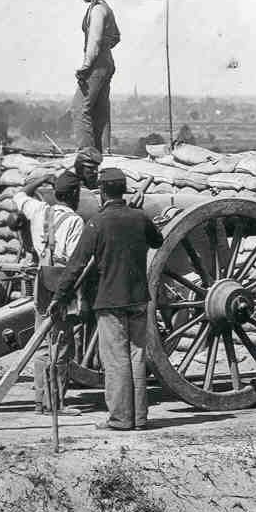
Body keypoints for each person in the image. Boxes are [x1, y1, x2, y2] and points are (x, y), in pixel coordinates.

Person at [50, 167, 163, 431]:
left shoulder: (97, 223)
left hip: (110, 300)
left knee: (115, 361)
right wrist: (142, 216)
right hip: (138, 299)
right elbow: (157, 241)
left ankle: (121, 418)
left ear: (101, 192)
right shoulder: (139, 217)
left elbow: (76, 264)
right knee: (136, 358)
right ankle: (139, 418)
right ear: (123, 190)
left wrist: (59, 296)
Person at [15, 169, 85, 415]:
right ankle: (55, 403)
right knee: (62, 343)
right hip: (61, 283)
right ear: (74, 195)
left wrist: (41, 180)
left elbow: (19, 195)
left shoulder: (38, 210)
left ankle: (39, 401)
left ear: (56, 194)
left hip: (41, 281)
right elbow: (77, 261)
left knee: (42, 343)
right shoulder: (75, 221)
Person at [71, 0, 120, 153]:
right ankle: (102, 153)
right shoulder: (106, 9)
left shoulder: (97, 11)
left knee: (79, 109)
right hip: (107, 62)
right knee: (100, 111)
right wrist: (106, 48)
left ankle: (87, 156)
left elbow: (95, 39)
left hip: (97, 64)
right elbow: (116, 37)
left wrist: (86, 65)